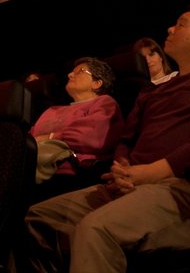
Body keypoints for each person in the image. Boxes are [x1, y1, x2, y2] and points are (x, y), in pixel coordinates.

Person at [25, 10, 190, 273]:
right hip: (131, 183)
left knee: (96, 229)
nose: (170, 29)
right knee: (37, 218)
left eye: (181, 25)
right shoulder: (152, 91)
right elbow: (127, 139)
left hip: (185, 190)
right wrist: (122, 167)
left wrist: (150, 172)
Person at [28, 57, 123, 192]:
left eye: (80, 71)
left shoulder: (105, 103)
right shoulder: (52, 110)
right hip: (31, 166)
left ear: (96, 83)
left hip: (69, 173)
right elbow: (28, 138)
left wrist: (50, 136)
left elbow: (92, 136)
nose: (70, 74)